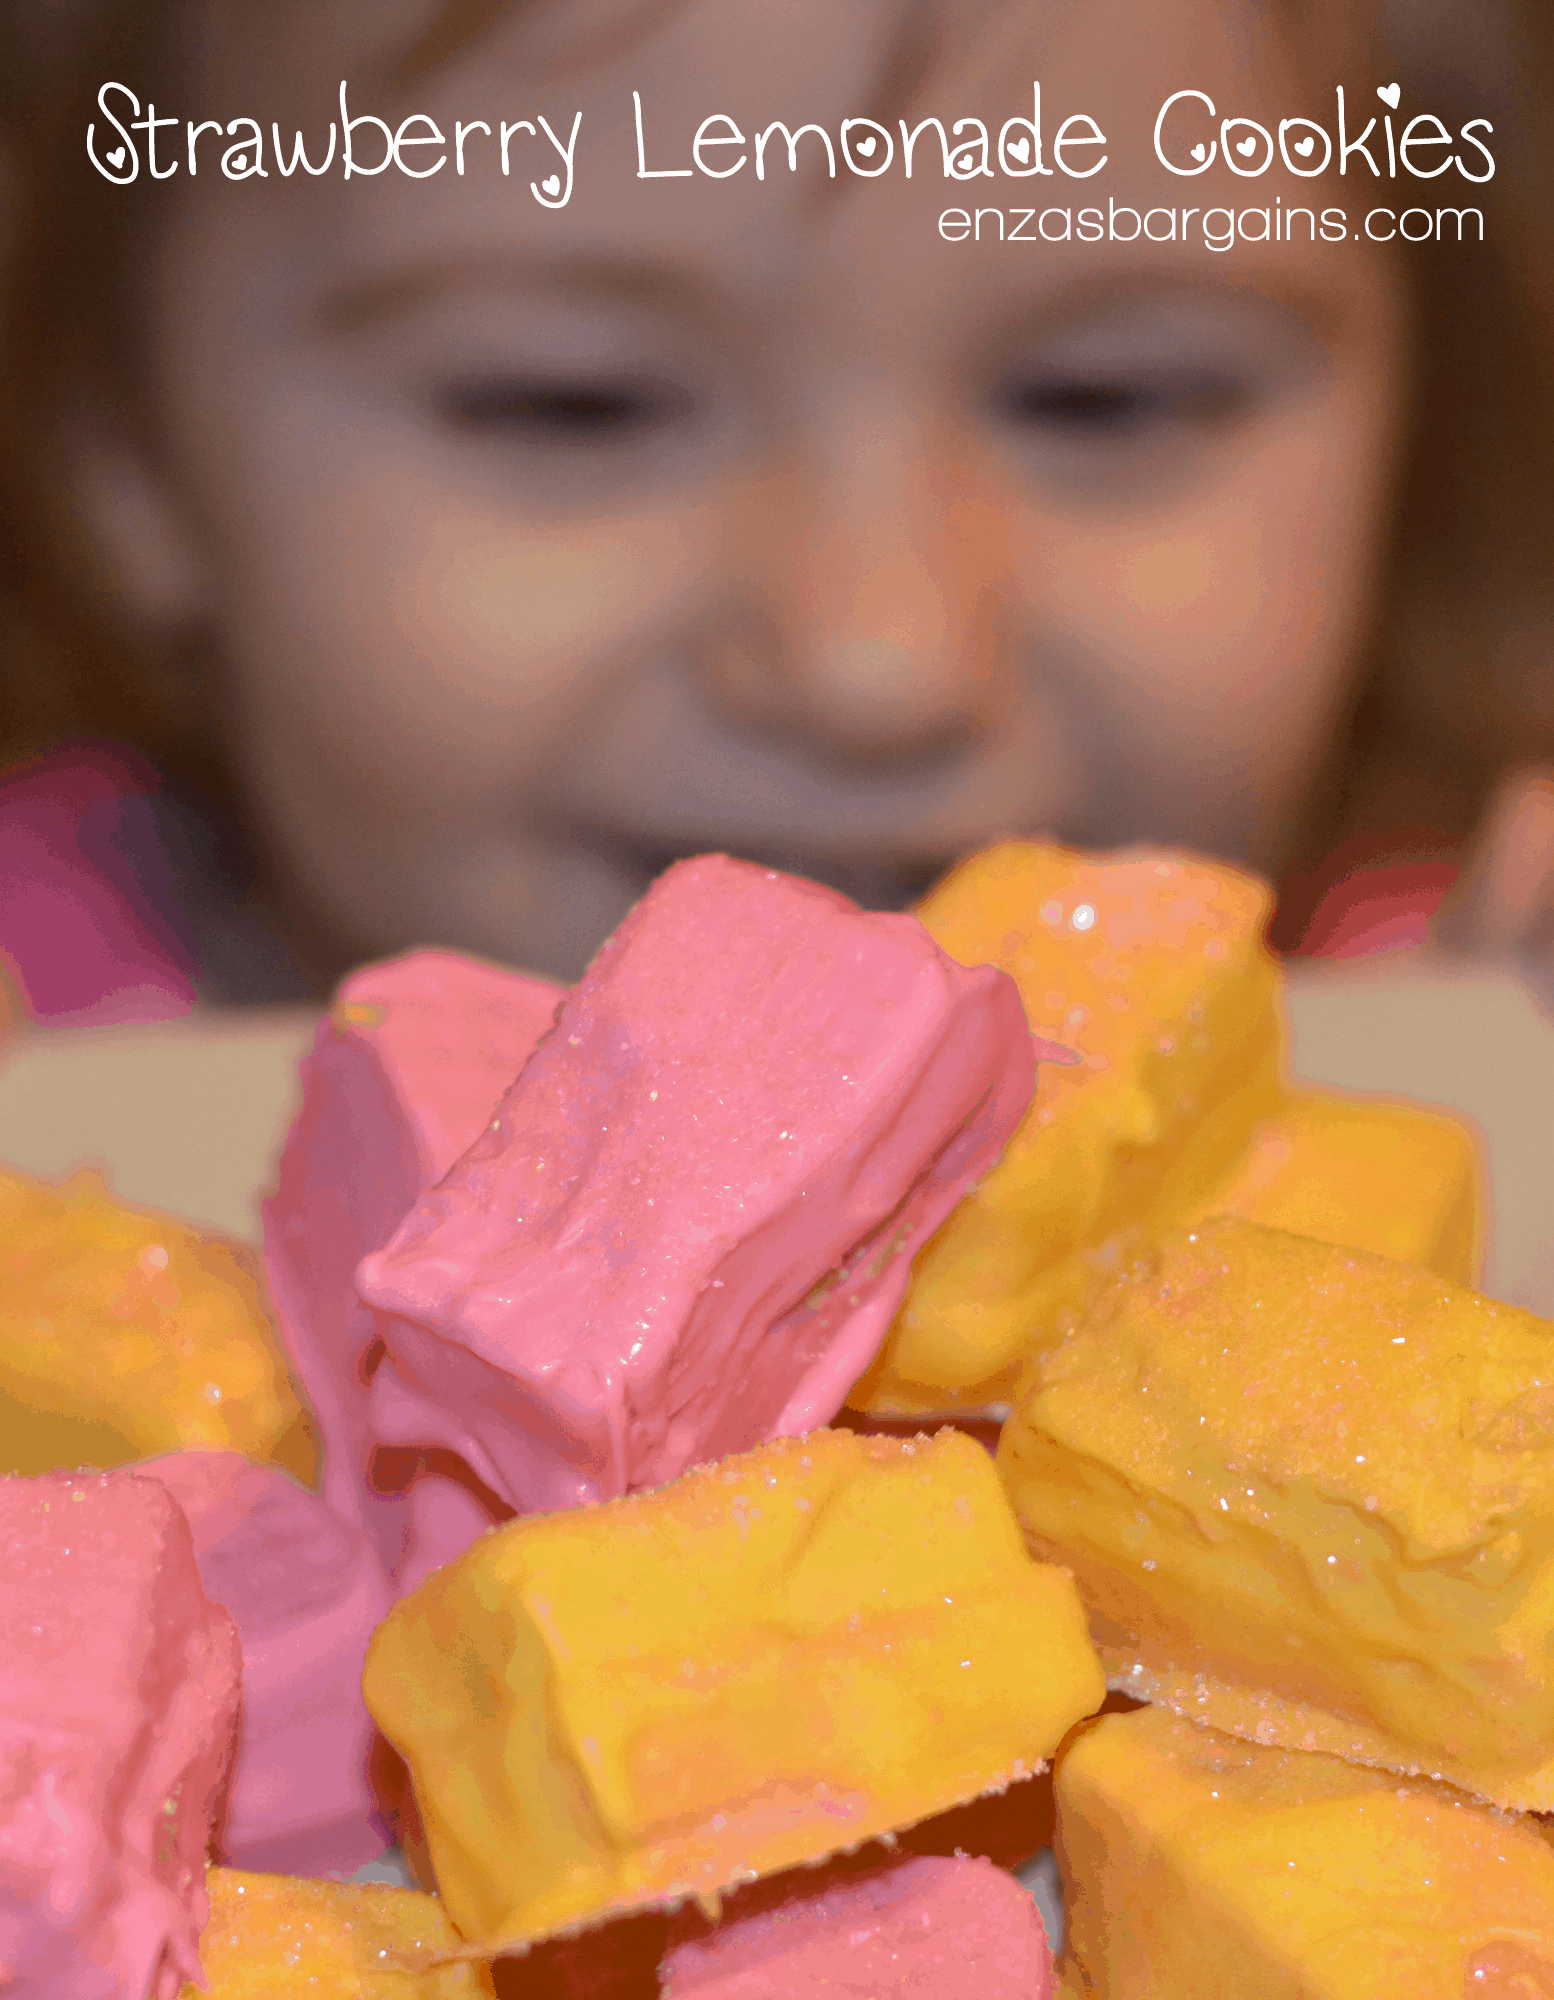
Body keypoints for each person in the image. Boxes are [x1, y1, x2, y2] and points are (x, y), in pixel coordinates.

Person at [3, 0, 1550, 1019]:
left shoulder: (1461, 1017)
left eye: (1110, 397)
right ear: (124, 451)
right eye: (570, 401)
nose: (877, 662)